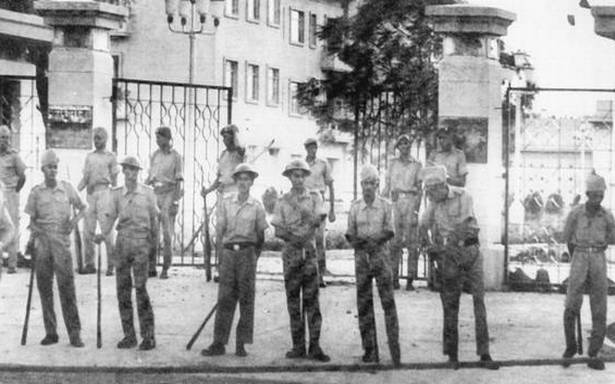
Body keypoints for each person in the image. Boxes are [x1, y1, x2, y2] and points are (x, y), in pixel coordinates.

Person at [418, 165, 498, 370]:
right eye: (427, 191)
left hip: (470, 253)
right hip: (450, 258)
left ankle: (484, 353)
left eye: (431, 191)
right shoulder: (433, 204)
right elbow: (421, 226)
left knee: (479, 303)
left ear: (442, 185)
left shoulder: (464, 196)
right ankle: (452, 354)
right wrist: (428, 246)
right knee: (450, 305)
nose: (429, 195)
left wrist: (443, 245)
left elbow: (463, 227)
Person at [201, 163, 268, 357]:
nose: (243, 183)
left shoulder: (256, 206)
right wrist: (221, 258)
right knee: (225, 298)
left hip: (247, 253)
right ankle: (219, 342)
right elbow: (220, 231)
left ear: (252, 182)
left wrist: (253, 257)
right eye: (240, 179)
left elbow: (260, 236)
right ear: (236, 181)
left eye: (247, 179)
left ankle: (241, 343)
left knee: (246, 299)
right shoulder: (225, 202)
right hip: (229, 253)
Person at [24, 150, 86, 347]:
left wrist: (73, 223)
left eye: (55, 167)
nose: (53, 171)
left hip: (61, 243)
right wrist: (36, 233)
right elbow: (31, 221)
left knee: (67, 288)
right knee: (45, 289)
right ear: (43, 169)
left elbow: (83, 208)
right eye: (50, 167)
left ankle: (74, 334)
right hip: (43, 244)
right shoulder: (35, 192)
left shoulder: (67, 188)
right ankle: (51, 332)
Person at [271, 159, 330, 362]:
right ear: (289, 178)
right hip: (291, 253)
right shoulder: (283, 200)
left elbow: (317, 220)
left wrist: (304, 236)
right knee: (294, 301)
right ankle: (298, 346)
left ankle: (314, 346)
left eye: (301, 175)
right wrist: (293, 238)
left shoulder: (314, 197)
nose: (298, 179)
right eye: (294, 175)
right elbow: (278, 229)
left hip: (309, 252)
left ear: (306, 176)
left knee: (312, 300)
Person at [97, 156, 158, 350]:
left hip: (141, 243)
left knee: (140, 290)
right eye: (126, 170)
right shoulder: (116, 194)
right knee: (122, 291)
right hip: (122, 243)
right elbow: (110, 217)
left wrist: (154, 252)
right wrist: (102, 233)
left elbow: (154, 223)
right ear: (123, 172)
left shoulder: (148, 194)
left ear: (138, 172)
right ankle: (129, 335)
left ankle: (148, 336)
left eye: (133, 170)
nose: (129, 173)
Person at [346, 164, 400, 366]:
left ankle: (395, 350)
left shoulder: (386, 206)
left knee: (388, 302)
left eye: (372, 183)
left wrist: (374, 241)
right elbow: (350, 233)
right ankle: (370, 350)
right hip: (362, 258)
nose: (368, 187)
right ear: (360, 184)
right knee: (364, 303)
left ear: (377, 184)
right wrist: (361, 244)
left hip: (381, 257)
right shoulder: (355, 206)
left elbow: (390, 231)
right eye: (364, 183)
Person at [561, 172, 615, 370]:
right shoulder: (575, 213)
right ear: (587, 194)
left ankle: (593, 352)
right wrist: (578, 258)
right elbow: (567, 238)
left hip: (598, 258)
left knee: (599, 305)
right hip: (579, 256)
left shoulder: (607, 216)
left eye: (601, 196)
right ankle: (570, 347)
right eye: (594, 195)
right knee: (571, 302)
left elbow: (612, 238)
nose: (597, 199)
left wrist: (596, 253)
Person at [382, 134, 422, 290]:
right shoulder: (392, 163)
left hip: (411, 201)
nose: (405, 146)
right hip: (396, 201)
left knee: (412, 243)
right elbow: (387, 185)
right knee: (394, 242)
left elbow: (419, 190)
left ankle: (410, 280)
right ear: (398, 147)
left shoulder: (417, 164)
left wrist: (416, 211)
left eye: (407, 143)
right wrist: (383, 203)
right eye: (402, 144)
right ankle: (394, 278)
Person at [77, 127, 119, 276]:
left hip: (105, 194)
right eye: (95, 138)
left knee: (107, 230)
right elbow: (85, 178)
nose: (96, 141)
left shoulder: (111, 156)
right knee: (88, 230)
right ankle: (90, 264)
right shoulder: (89, 157)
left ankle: (111, 266)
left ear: (106, 139)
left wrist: (115, 197)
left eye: (99, 138)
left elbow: (114, 180)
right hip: (90, 194)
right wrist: (75, 191)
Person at [145, 126, 183, 279]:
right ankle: (151, 267)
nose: (157, 141)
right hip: (155, 193)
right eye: (156, 138)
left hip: (169, 193)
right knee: (152, 232)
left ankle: (166, 268)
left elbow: (179, 180)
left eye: (160, 137)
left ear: (168, 138)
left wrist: (175, 200)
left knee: (167, 234)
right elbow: (150, 176)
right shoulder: (155, 155)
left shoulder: (176, 156)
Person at [304, 138, 335, 288]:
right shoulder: (302, 165)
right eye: (310, 147)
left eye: (314, 147)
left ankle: (320, 275)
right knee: (304, 239)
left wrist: (332, 209)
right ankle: (307, 274)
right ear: (306, 149)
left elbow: (331, 185)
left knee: (319, 239)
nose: (312, 150)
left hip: (319, 199)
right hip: (304, 201)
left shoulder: (323, 164)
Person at [0, 124, 26, 274]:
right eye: (1, 138)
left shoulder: (14, 156)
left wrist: (15, 191)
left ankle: (12, 263)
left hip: (10, 194)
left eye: (6, 138)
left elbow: (22, 176)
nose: (4, 141)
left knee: (12, 227)